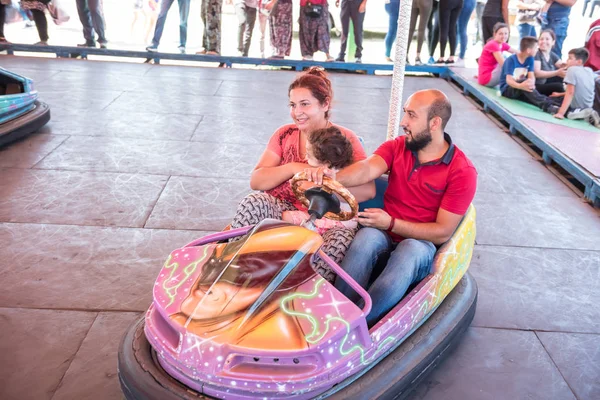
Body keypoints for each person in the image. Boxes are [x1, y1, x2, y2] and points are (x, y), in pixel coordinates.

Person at [305, 89, 477, 326]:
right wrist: (332, 178)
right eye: (405, 113)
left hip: (421, 245)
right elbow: (367, 168)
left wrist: (392, 223)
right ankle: (339, 317)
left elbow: (443, 232)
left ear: (434, 123)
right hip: (383, 232)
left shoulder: (462, 171)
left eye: (412, 116)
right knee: (366, 239)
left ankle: (366, 325)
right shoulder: (398, 146)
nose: (403, 122)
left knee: (409, 252)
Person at [230, 67, 374, 280]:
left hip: (329, 216)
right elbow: (257, 180)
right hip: (285, 209)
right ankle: (233, 271)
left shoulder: (344, 139)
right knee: (253, 202)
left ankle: (305, 294)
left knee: (341, 241)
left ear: (325, 105)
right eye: (292, 105)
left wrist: (330, 184)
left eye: (305, 104)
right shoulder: (284, 134)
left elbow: (368, 189)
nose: (297, 112)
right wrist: (294, 168)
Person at [281, 126, 359, 266]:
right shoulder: (321, 173)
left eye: (309, 155)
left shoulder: (327, 175)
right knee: (288, 217)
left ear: (325, 163)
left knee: (286, 217)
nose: (305, 158)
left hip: (335, 219)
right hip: (326, 215)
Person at [500, 36, 565, 114]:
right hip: (508, 89)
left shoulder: (530, 59)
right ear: (528, 50)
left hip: (522, 88)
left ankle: (560, 107)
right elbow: (509, 80)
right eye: (535, 48)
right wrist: (521, 86)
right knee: (525, 82)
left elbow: (531, 76)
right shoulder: (511, 60)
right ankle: (548, 107)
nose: (537, 50)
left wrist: (531, 83)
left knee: (535, 98)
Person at [553, 48, 600, 127]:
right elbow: (579, 90)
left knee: (551, 105)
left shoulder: (572, 70)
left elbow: (570, 92)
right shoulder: (589, 70)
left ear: (579, 62)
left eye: (570, 58)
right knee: (558, 100)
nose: (567, 60)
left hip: (577, 106)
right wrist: (560, 94)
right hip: (589, 105)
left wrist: (560, 113)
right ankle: (586, 115)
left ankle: (576, 112)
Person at [477, 23, 516, 87]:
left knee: (509, 58)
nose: (504, 36)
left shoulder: (502, 44)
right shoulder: (493, 44)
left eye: (506, 33)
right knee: (507, 62)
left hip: (489, 76)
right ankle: (514, 82)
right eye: (500, 34)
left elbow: (518, 53)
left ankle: (514, 81)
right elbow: (503, 65)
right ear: (495, 34)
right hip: (487, 80)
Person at [534, 29, 566, 96]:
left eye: (547, 39)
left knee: (563, 78)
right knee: (559, 86)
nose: (544, 41)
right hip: (536, 85)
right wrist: (557, 72)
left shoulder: (552, 55)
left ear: (553, 42)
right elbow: (537, 73)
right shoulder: (536, 53)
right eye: (541, 39)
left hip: (546, 82)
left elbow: (562, 66)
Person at [406, 0, 433, 65]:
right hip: (426, 2)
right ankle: (418, 57)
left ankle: (405, 56)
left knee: (410, 29)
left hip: (413, 1)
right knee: (422, 29)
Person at [456, 0, 476, 65]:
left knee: (461, 28)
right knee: (460, 28)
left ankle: (461, 56)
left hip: (465, 2)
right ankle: (459, 55)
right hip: (469, 3)